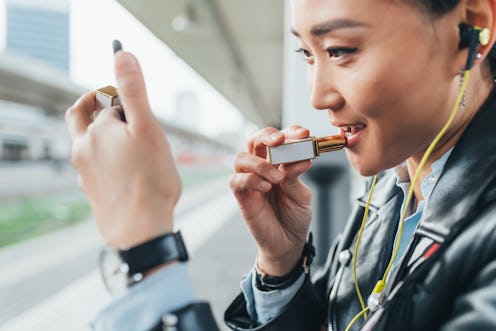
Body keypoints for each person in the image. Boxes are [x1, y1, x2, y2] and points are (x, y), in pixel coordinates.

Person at [65, 0, 496, 330]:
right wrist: (281, 264)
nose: (318, 96)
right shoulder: (393, 187)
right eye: (308, 54)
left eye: (340, 50)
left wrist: (145, 248)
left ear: (473, 27)